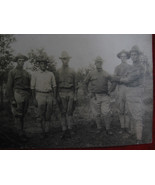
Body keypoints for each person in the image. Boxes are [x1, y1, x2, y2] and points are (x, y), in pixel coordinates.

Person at [112, 46, 145, 144]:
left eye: (135, 54)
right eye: (132, 55)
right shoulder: (130, 67)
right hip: (128, 91)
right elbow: (126, 77)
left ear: (138, 55)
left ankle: (139, 138)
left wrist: (117, 78)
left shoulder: (138, 67)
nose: (133, 56)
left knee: (137, 115)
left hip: (135, 91)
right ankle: (132, 132)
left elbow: (128, 79)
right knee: (129, 112)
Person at [84, 56, 113, 135]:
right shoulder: (91, 73)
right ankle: (99, 128)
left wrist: (110, 91)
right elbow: (85, 83)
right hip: (95, 96)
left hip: (105, 96)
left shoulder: (106, 73)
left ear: (102, 63)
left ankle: (108, 129)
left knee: (106, 113)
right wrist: (88, 93)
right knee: (96, 114)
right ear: (95, 63)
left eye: (100, 62)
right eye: (97, 62)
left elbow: (113, 81)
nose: (99, 64)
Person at [6, 54, 31, 138]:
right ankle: (19, 134)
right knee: (18, 114)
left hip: (26, 94)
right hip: (17, 93)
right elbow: (9, 86)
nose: (21, 62)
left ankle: (22, 132)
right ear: (17, 61)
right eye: (19, 61)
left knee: (23, 114)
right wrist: (12, 99)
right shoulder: (12, 72)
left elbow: (29, 85)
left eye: (23, 61)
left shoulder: (26, 73)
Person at [31, 58, 56, 137]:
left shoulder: (50, 74)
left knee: (48, 114)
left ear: (46, 65)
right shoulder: (35, 74)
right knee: (41, 114)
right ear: (39, 65)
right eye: (41, 64)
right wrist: (34, 98)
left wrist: (54, 98)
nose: (43, 65)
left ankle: (47, 131)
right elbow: (32, 87)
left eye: (45, 64)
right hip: (40, 95)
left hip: (49, 95)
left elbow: (54, 86)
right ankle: (42, 131)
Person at [57, 51, 77, 139]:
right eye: (63, 59)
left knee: (70, 112)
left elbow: (75, 84)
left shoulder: (72, 71)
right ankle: (64, 129)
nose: (65, 61)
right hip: (61, 92)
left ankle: (70, 128)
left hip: (70, 92)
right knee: (63, 112)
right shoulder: (58, 71)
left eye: (67, 59)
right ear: (61, 60)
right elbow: (56, 84)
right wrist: (57, 95)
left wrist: (75, 95)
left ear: (69, 60)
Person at [111, 50, 131, 134]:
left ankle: (127, 127)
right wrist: (123, 79)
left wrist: (121, 78)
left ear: (127, 57)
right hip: (120, 89)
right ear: (120, 58)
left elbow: (131, 79)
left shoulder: (130, 67)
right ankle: (122, 127)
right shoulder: (117, 67)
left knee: (128, 109)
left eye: (125, 56)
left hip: (129, 89)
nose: (123, 58)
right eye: (121, 56)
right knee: (121, 108)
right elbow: (114, 78)